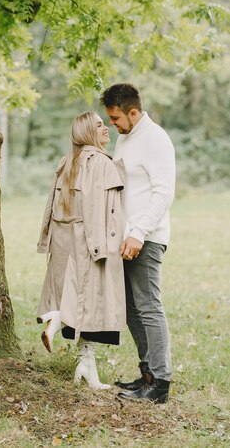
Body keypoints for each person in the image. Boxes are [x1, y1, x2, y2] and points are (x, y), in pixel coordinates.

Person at [36, 111, 126, 389]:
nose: (106, 129)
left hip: (65, 242)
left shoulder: (68, 162)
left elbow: (51, 206)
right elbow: (103, 209)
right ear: (88, 132)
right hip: (90, 243)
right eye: (100, 125)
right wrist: (108, 245)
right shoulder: (100, 163)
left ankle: (86, 368)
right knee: (92, 304)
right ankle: (59, 320)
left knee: (86, 307)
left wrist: (46, 239)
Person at [100, 83, 175, 404]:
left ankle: (160, 383)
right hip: (126, 238)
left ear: (133, 112)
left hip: (146, 237)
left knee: (148, 307)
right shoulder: (125, 138)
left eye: (116, 118)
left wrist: (139, 233)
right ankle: (147, 374)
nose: (112, 124)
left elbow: (163, 192)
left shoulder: (155, 139)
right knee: (131, 309)